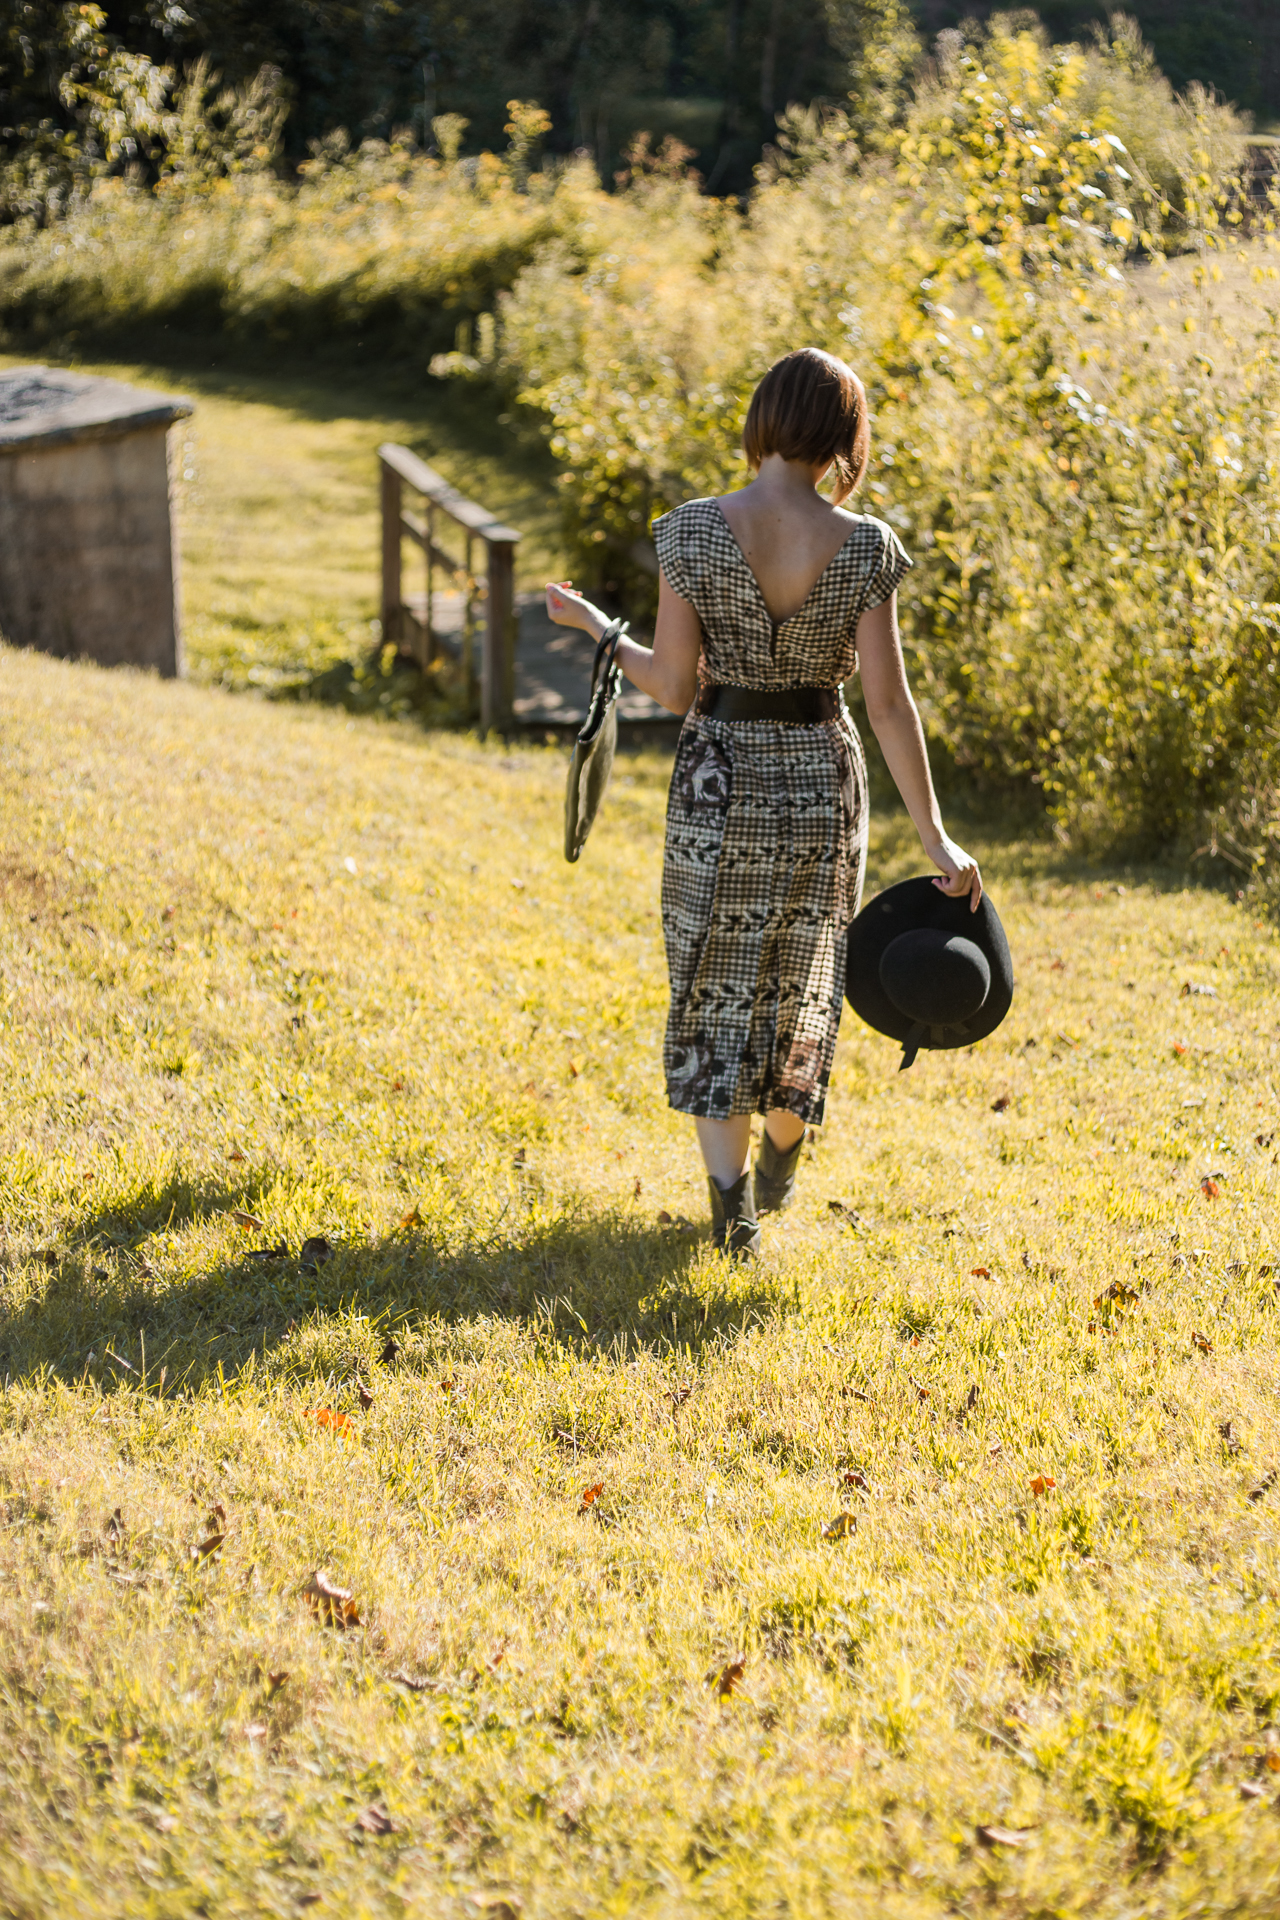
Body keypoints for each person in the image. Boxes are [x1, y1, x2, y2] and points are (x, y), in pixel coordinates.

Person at [545, 347, 981, 1256]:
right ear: (843, 439)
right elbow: (889, 702)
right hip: (823, 781)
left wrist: (595, 627)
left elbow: (668, 686)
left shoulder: (693, 533)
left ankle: (730, 1202)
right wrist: (935, 837)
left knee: (713, 981)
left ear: (763, 422)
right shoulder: (865, 547)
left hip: (721, 782)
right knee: (801, 979)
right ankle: (782, 1160)